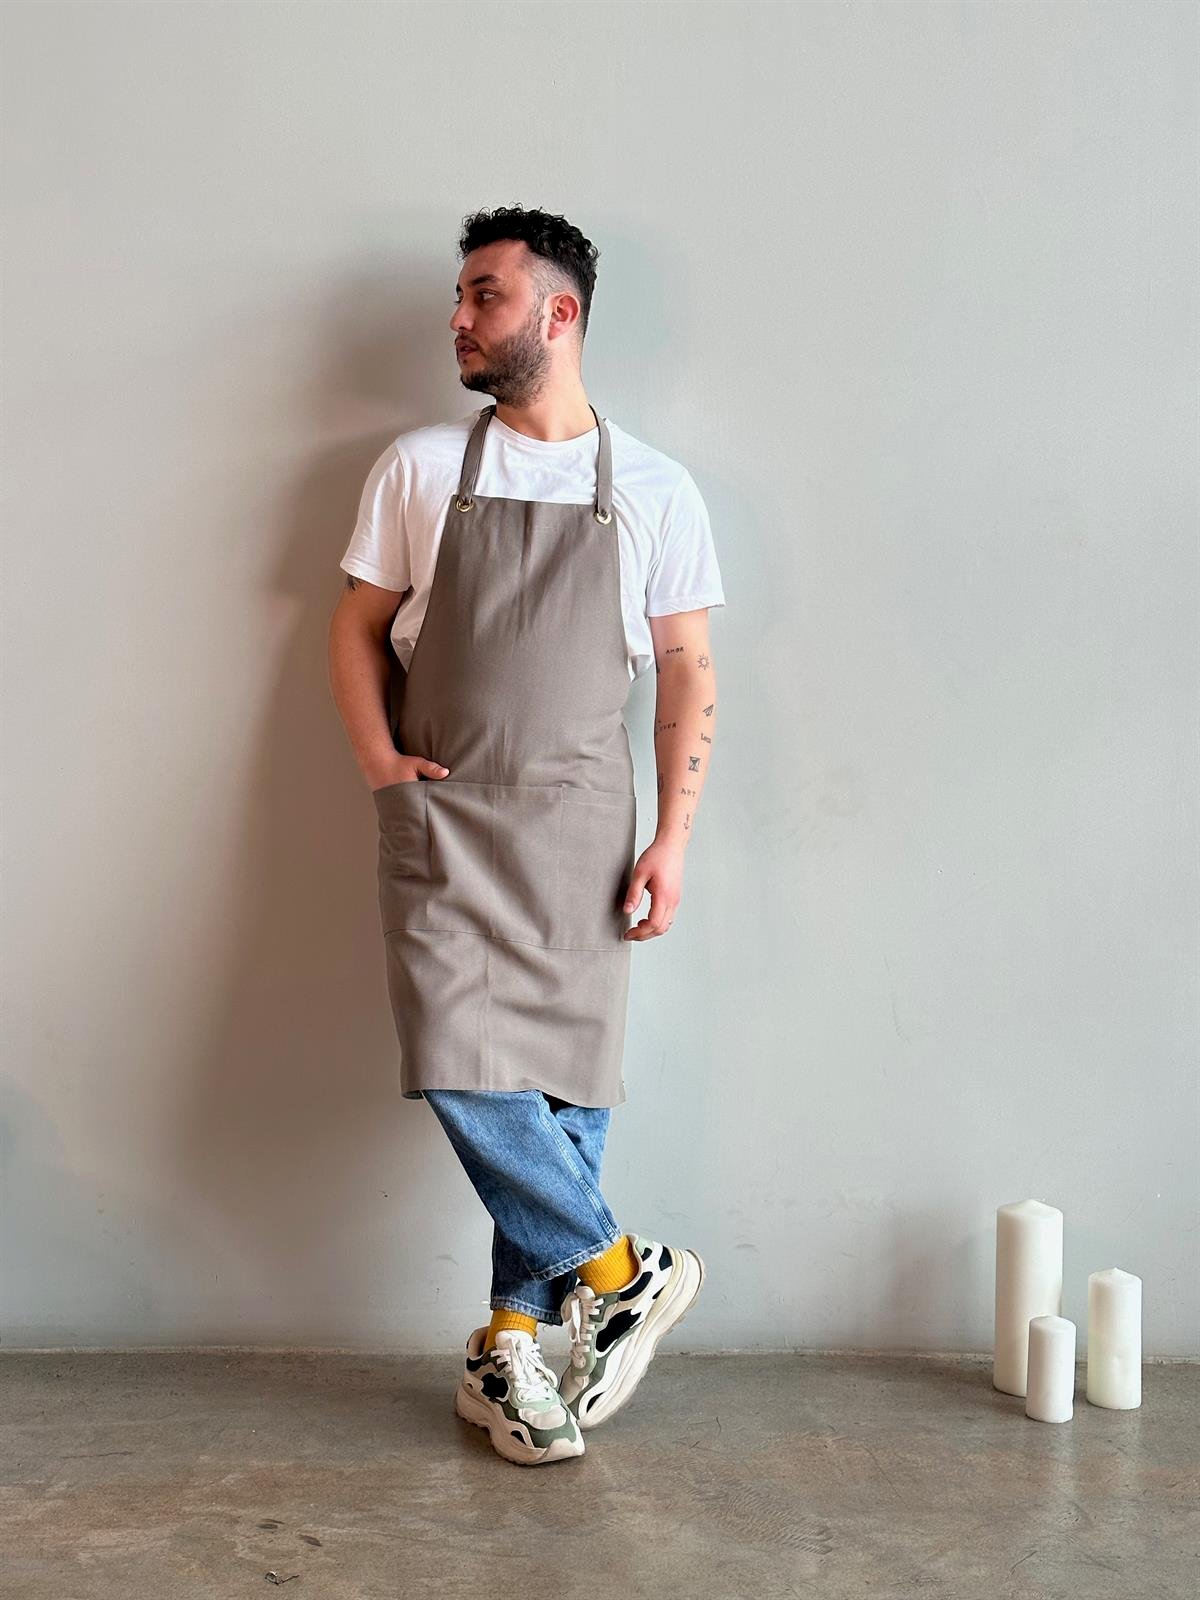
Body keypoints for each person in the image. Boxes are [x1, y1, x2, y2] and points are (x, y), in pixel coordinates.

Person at [328, 206, 724, 1466]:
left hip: (581, 828)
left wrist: (673, 839)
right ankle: (620, 1268)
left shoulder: (655, 488)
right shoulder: (418, 469)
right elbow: (355, 628)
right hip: (443, 816)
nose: (458, 318)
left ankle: (510, 1351)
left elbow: (687, 672)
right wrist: (380, 764)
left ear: (559, 313)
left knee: (565, 1091)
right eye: (457, 296)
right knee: (457, 1057)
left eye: (483, 295)